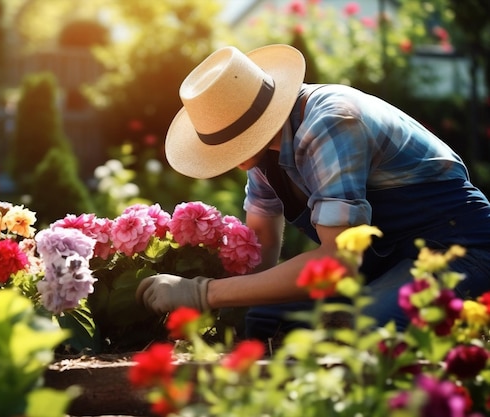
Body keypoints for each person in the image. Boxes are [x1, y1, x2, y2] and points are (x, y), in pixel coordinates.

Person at [135, 44, 490, 342]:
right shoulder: (262, 148)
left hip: (457, 251)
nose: (230, 155)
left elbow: (339, 263)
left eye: (234, 141)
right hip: (385, 266)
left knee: (370, 332)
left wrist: (202, 292)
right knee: (263, 322)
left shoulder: (332, 122)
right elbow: (261, 248)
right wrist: (217, 316)